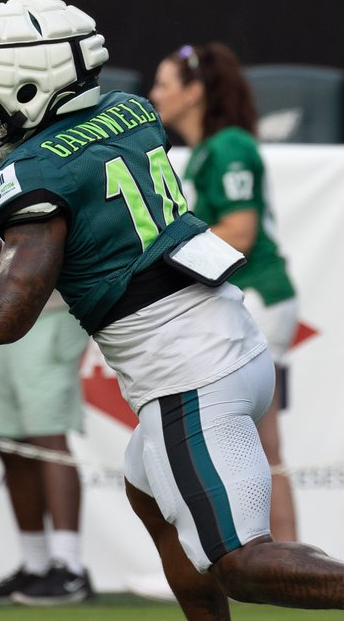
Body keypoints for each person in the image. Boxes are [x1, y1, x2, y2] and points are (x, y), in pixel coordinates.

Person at [0, 0, 344, 620]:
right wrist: (2, 260)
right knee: (151, 494)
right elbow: (89, 251)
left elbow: (3, 318)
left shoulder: (33, 170)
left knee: (237, 560)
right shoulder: (130, 113)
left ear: (27, 86)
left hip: (189, 376)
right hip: (225, 341)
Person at [129, 40, 301, 604]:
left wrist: (156, 253)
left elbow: (242, 232)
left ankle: (264, 561)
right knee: (265, 446)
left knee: (242, 443)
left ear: (195, 90)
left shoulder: (227, 147)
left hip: (256, 297)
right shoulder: (207, 150)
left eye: (164, 83)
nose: (154, 96)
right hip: (250, 299)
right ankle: (285, 564)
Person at [0, 291, 93, 605]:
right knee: (8, 443)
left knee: (49, 439)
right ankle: (36, 565)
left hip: (50, 313)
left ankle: (68, 566)